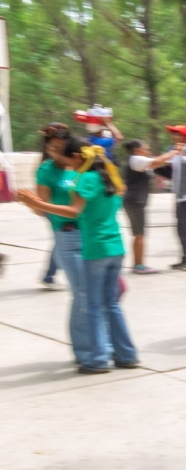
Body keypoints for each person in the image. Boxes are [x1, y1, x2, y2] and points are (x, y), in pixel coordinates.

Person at [19, 139, 139, 374]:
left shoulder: (86, 179)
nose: (69, 167)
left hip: (95, 248)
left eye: (70, 161)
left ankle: (97, 359)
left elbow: (74, 211)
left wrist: (38, 203)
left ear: (77, 157)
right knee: (111, 304)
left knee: (92, 304)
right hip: (115, 247)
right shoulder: (110, 177)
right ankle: (127, 355)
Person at [25, 129, 91, 367]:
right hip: (68, 235)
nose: (55, 152)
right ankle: (85, 352)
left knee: (101, 293)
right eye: (51, 148)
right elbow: (40, 208)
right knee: (82, 294)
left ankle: (99, 344)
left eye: (60, 147)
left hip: (92, 233)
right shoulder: (47, 170)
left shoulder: (83, 164)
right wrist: (33, 203)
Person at [122, 140, 182, 274]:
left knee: (138, 234)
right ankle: (138, 265)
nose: (148, 151)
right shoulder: (136, 159)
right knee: (139, 234)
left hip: (136, 201)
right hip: (135, 201)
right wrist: (174, 151)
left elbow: (159, 164)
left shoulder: (139, 161)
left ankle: (137, 264)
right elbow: (157, 161)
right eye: (145, 149)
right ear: (137, 150)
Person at [152, 125, 186, 271]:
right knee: (181, 229)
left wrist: (181, 156)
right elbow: (170, 174)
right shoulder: (171, 151)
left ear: (185, 137)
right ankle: (185, 257)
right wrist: (155, 166)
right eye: (173, 134)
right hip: (179, 195)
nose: (174, 137)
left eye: (178, 134)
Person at [36, 123, 72, 290]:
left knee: (61, 242)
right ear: (48, 148)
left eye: (63, 147)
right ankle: (49, 276)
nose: (59, 151)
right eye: (55, 147)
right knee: (61, 241)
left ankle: (49, 276)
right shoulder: (46, 169)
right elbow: (42, 205)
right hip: (58, 214)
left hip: (78, 213)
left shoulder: (76, 163)